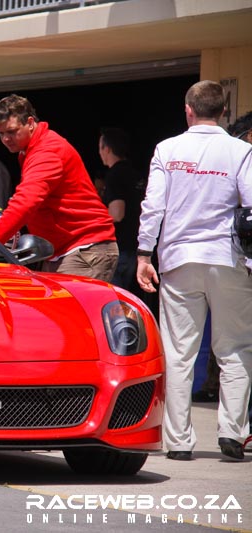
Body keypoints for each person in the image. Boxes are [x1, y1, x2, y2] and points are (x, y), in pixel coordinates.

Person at [136, 80, 252, 462]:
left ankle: (180, 441)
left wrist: (143, 254)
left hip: (179, 261)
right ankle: (233, 434)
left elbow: (153, 207)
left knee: (178, 351)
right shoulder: (241, 151)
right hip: (227, 259)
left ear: (188, 109)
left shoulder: (167, 150)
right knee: (234, 348)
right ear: (224, 111)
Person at [0, 94, 118, 281]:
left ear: (30, 123)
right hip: (67, 250)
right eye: (1, 134)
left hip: (83, 250)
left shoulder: (46, 151)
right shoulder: (32, 150)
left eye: (12, 131)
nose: (6, 139)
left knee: (68, 310)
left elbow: (26, 203)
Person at [193, 110, 252, 404]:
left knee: (230, 340)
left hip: (226, 257)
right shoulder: (240, 157)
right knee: (234, 340)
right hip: (232, 258)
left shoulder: (240, 157)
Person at [98, 127, 144, 294]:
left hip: (119, 248)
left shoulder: (115, 174)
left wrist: (96, 220)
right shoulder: (135, 173)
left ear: (107, 149)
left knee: (113, 301)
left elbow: (117, 213)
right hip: (135, 246)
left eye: (100, 147)